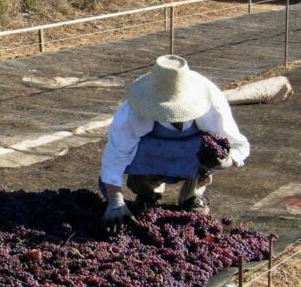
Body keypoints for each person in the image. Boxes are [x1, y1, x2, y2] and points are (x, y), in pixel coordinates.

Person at [99, 55, 250, 233]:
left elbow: (239, 145)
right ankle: (147, 193)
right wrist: (115, 199)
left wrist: (227, 160)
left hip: (192, 154)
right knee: (135, 148)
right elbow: (115, 155)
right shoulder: (133, 111)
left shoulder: (211, 105)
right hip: (150, 153)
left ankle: (192, 196)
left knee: (209, 146)